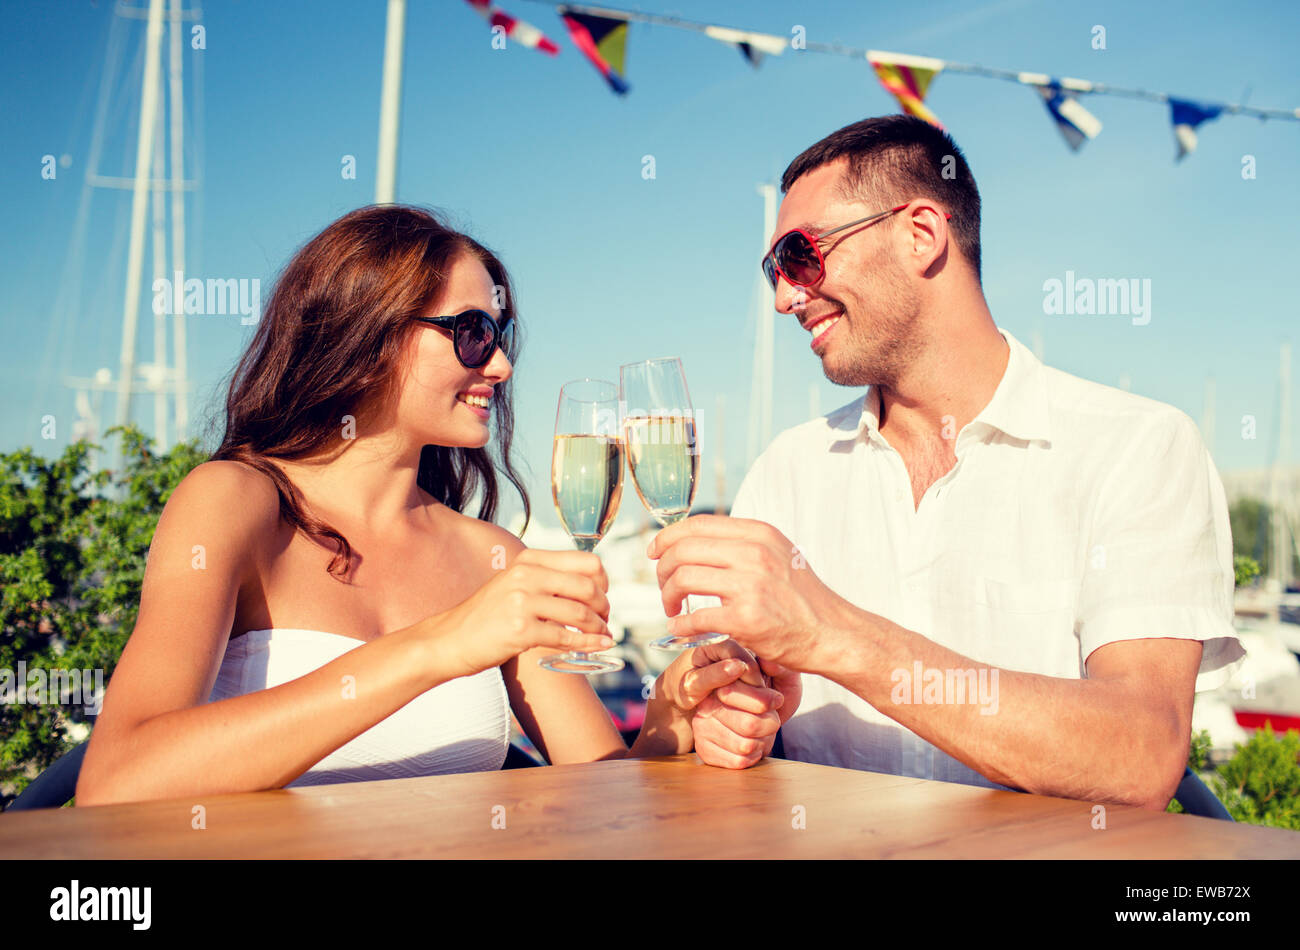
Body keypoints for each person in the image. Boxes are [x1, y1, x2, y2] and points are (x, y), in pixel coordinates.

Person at [75, 205, 782, 805]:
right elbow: (115, 780)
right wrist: (439, 644)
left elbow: (603, 795)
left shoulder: (496, 561)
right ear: (367, 334)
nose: (500, 366)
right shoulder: (236, 502)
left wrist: (670, 716)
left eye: (499, 338)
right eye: (471, 333)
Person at [648, 115, 1245, 811]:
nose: (784, 296)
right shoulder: (784, 473)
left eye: (798, 256)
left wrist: (834, 634)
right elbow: (738, 707)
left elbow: (1143, 752)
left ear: (921, 234)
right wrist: (732, 719)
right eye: (774, 271)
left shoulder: (1136, 447)